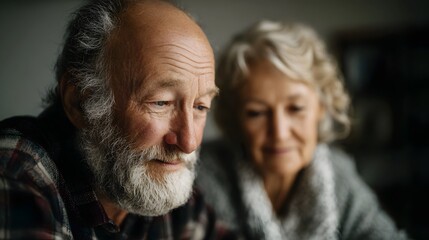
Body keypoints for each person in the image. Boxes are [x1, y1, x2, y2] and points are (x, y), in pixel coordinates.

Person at [0, 0, 236, 239]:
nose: (189, 142)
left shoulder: (160, 182)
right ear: (80, 103)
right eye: (160, 103)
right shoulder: (17, 175)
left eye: (200, 106)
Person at [196, 20, 408, 239]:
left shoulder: (337, 175)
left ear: (321, 107)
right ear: (235, 116)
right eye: (256, 112)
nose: (279, 132)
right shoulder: (201, 179)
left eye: (296, 108)